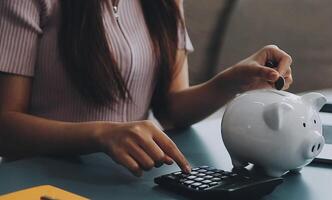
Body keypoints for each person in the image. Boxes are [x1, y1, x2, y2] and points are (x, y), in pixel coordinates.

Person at [0, 0, 292, 177]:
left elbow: (172, 108)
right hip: (41, 178)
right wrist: (100, 135)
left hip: (134, 179)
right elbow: (6, 128)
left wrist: (233, 82)